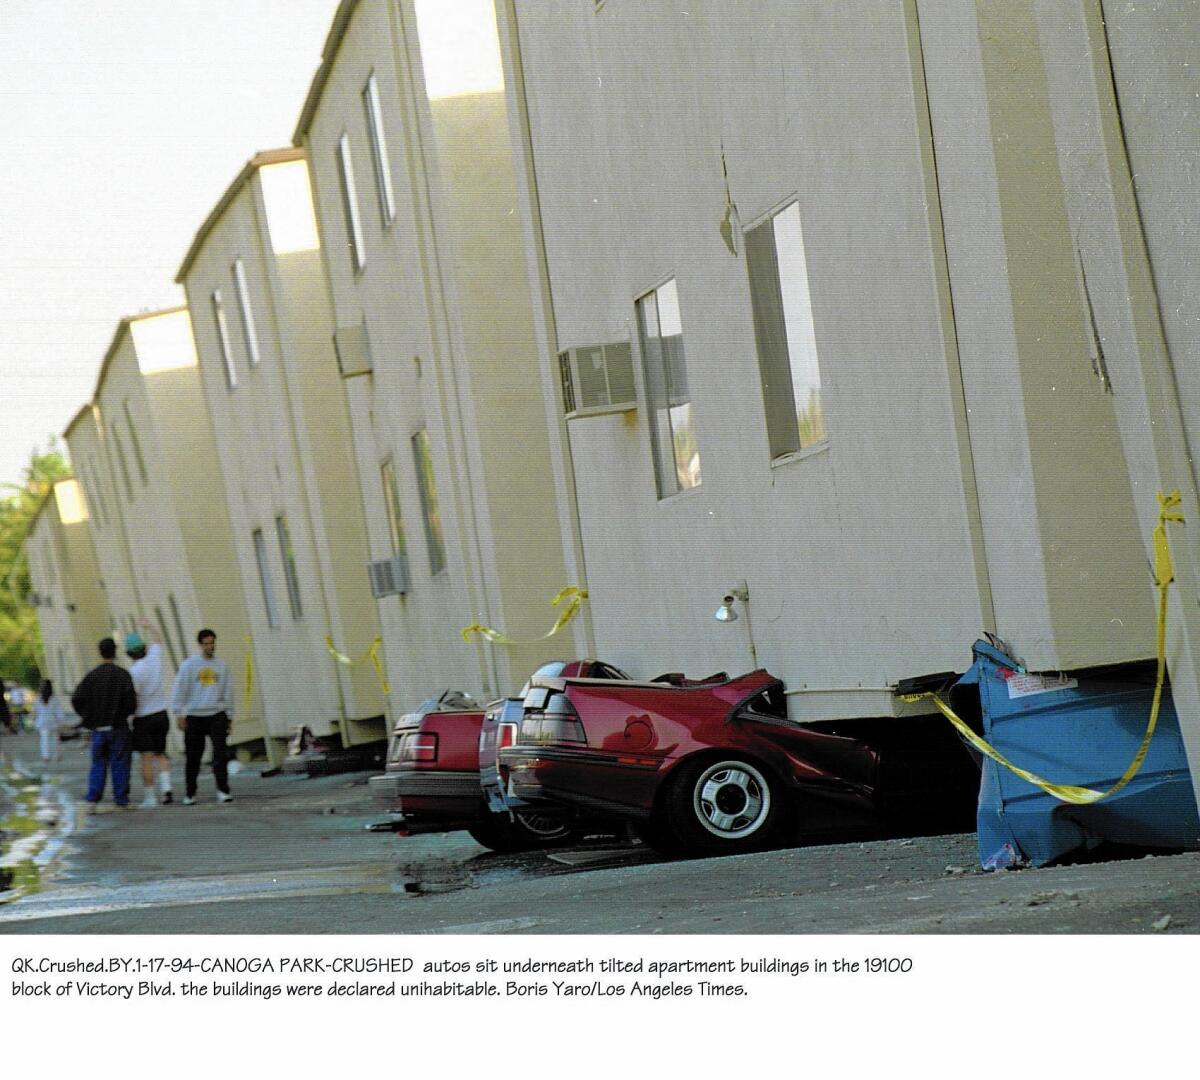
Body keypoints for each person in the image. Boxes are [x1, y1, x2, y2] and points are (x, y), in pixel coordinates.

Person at [72, 637, 137, 812]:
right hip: (118, 727)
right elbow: (131, 702)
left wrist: (88, 718)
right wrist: (124, 713)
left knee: (98, 764)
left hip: (98, 729)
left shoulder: (92, 676)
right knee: (120, 763)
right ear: (115, 652)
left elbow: (77, 698)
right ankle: (121, 800)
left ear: (100, 652)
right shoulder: (123, 675)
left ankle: (92, 800)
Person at [171, 628, 234, 805]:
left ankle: (223, 790)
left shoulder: (221, 665)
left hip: (216, 713)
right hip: (195, 715)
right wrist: (178, 713)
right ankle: (190, 793)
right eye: (206, 644)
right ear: (200, 645)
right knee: (193, 756)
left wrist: (229, 715)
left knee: (220, 754)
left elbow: (228, 691)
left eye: (212, 643)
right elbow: (180, 688)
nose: (210, 647)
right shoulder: (189, 665)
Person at [126, 624, 174, 807]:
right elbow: (158, 640)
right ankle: (167, 789)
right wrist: (148, 626)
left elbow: (134, 697)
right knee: (161, 754)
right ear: (144, 647)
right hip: (161, 714)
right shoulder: (155, 658)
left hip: (144, 718)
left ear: (129, 653)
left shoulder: (134, 672)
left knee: (146, 758)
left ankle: (150, 797)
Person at [32, 679, 65, 765]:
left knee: (44, 740)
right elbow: (59, 711)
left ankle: (46, 756)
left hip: (42, 721)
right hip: (53, 721)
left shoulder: (38, 697)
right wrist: (61, 721)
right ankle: (56, 755)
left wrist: (34, 720)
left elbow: (35, 710)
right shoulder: (54, 698)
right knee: (55, 739)